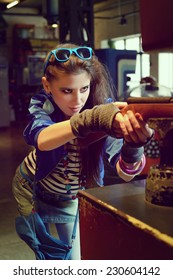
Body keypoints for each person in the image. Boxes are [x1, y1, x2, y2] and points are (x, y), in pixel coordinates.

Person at [12, 43, 153, 260]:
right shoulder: (43, 105)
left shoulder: (102, 108)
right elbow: (43, 139)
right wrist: (91, 119)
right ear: (47, 86)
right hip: (31, 187)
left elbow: (126, 173)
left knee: (74, 261)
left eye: (84, 89)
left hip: (70, 197)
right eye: (67, 91)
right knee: (48, 256)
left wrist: (133, 146)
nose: (77, 101)